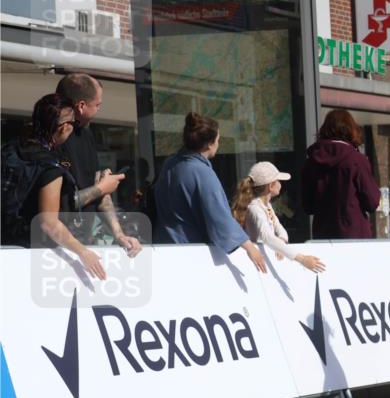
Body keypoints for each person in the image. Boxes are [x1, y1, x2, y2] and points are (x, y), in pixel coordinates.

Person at [1, 94, 107, 279]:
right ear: (64, 127)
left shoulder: (9, 151)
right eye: (73, 123)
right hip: (28, 255)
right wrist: (83, 252)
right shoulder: (50, 167)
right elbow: (49, 223)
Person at [153, 112, 266, 273]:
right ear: (209, 144)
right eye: (218, 140)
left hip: (163, 247)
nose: (218, 144)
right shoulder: (202, 173)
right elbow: (220, 217)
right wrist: (249, 247)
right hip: (191, 252)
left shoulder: (170, 164)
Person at [55, 73, 141, 257]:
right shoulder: (54, 141)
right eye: (98, 104)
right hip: (55, 249)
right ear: (81, 106)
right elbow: (62, 204)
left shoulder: (86, 135)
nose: (99, 109)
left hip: (83, 246)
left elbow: (101, 193)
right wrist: (101, 188)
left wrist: (119, 234)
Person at [232, 162, 325, 273]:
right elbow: (267, 237)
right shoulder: (255, 208)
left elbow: (282, 232)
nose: (280, 184)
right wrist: (303, 259)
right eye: (278, 181)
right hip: (255, 267)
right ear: (271, 186)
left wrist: (279, 244)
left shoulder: (267, 206)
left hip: (262, 263)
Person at [301, 109, 380, 240]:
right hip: (354, 235)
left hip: (323, 234)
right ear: (351, 129)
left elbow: (308, 206)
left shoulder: (311, 162)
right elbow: (372, 202)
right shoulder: (356, 160)